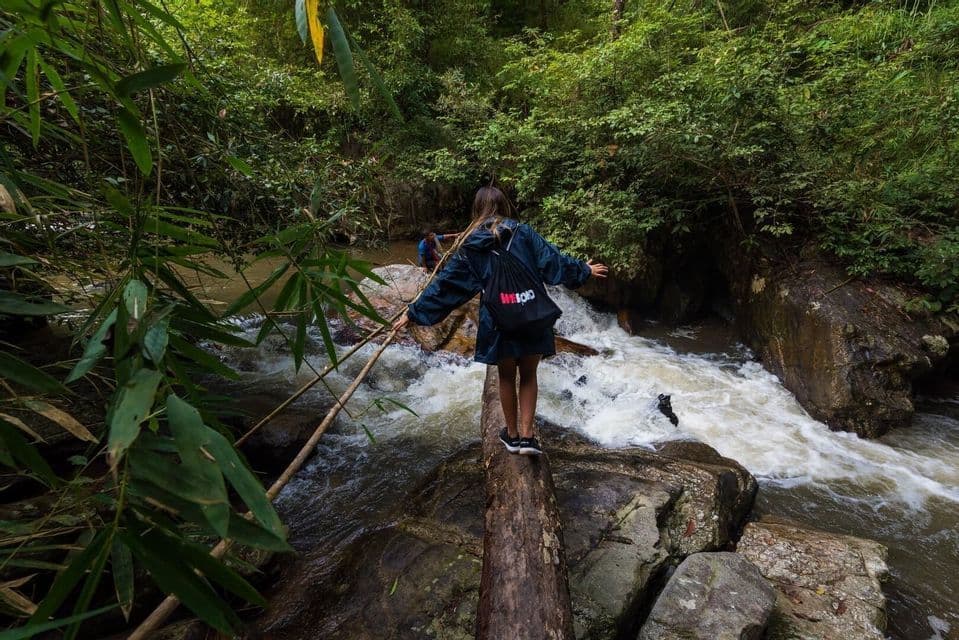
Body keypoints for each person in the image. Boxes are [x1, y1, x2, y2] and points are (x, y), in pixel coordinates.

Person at [393, 186, 607, 455]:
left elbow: (447, 287)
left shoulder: (470, 246)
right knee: (529, 374)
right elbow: (553, 264)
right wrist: (584, 269)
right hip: (533, 314)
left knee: (506, 376)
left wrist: (413, 312)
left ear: (477, 209)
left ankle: (513, 435)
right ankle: (528, 438)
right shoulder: (524, 233)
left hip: (498, 319)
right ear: (505, 206)